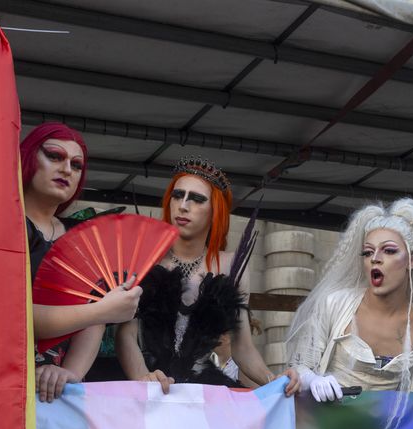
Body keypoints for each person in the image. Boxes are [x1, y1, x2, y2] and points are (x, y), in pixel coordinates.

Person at [115, 156, 299, 394]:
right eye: (177, 195)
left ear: (216, 211)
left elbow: (242, 347)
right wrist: (143, 379)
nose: (183, 205)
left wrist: (273, 380)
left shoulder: (233, 265)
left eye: (197, 199)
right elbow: (126, 334)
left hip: (206, 393)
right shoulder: (143, 258)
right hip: (148, 388)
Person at [286, 198, 413, 429]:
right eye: (367, 252)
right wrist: (312, 380)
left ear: (412, 260)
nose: (375, 258)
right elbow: (297, 368)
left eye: (389, 250)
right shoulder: (334, 304)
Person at [22, 123, 142, 402]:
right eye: (54, 156)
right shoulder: (5, 223)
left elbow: (93, 308)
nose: (66, 169)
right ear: (28, 157)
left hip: (60, 392)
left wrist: (70, 373)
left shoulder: (82, 237)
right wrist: (103, 310)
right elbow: (12, 314)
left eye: (76, 165)